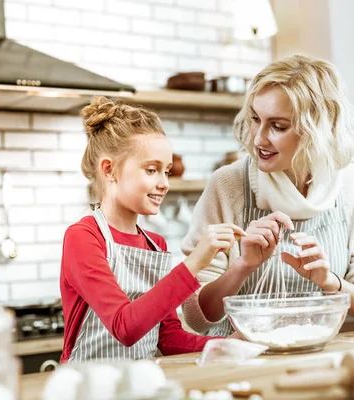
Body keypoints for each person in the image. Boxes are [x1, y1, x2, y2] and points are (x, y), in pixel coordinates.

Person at [181, 54, 354, 336]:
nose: (258, 138)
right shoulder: (228, 185)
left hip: (329, 356)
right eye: (256, 119)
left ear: (317, 128)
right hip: (243, 361)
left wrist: (329, 282)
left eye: (278, 126)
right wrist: (242, 266)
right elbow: (197, 315)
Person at [60, 96, 244, 362]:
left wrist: (232, 342)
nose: (164, 183)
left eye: (167, 171)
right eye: (151, 170)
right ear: (109, 169)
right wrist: (193, 264)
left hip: (139, 384)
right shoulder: (83, 237)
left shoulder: (154, 244)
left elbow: (169, 339)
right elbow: (125, 327)